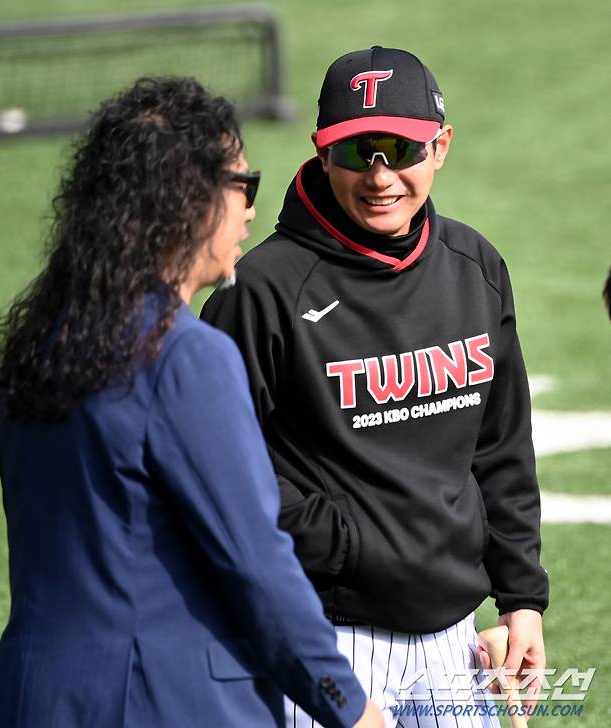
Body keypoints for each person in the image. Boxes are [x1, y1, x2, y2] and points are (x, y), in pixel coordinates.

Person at [0, 76, 384, 728]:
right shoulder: (188, 356)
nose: (251, 209)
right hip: (164, 704)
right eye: (242, 186)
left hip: (27, 698)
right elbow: (256, 564)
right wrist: (350, 705)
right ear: (186, 199)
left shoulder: (41, 342)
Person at [202, 47, 549, 727]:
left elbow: (501, 445)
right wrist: (348, 545)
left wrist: (521, 598)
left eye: (402, 149)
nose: (381, 176)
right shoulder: (262, 293)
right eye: (359, 152)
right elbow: (221, 468)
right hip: (328, 635)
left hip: (455, 639)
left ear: (441, 145)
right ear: (322, 153)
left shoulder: (473, 266)